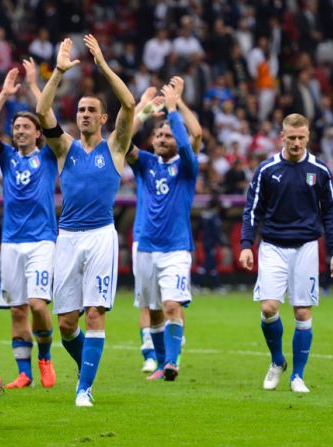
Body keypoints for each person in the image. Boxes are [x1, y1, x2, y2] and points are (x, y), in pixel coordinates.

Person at [35, 35, 135, 406]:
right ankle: (86, 370)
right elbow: (43, 110)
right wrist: (58, 72)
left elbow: (129, 103)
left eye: (92, 111)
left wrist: (103, 65)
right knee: (65, 324)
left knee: (94, 313)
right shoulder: (65, 148)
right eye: (80, 111)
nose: (85, 115)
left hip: (99, 237)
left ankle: (84, 389)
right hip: (68, 238)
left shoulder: (115, 147)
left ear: (103, 118)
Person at [239, 113, 333, 394]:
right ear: (282, 136)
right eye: (291, 137)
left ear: (308, 137)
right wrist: (246, 244)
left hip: (307, 247)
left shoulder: (320, 170)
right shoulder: (267, 170)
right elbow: (252, 209)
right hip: (272, 246)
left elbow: (332, 214)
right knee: (268, 307)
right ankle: (277, 361)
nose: (296, 142)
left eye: (301, 137)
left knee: (302, 311)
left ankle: (297, 375)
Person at [0, 60, 57, 389]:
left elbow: (49, 117)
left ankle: (45, 356)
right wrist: (4, 94)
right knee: (16, 310)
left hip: (41, 241)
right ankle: (24, 373)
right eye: (18, 128)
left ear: (38, 133)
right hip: (12, 242)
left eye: (28, 127)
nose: (21, 131)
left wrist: (36, 87)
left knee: (38, 305)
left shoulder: (50, 155)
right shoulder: (7, 157)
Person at [129, 79, 200, 381]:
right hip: (145, 246)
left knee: (172, 305)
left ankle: (172, 362)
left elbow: (189, 140)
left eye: (167, 134)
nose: (161, 137)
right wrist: (143, 110)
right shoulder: (144, 163)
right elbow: (119, 141)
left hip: (175, 248)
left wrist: (174, 109)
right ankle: (160, 363)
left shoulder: (186, 167)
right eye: (158, 133)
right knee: (154, 310)